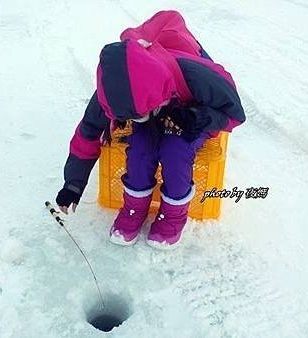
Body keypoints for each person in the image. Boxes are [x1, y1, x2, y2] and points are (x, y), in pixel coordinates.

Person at [55, 11, 245, 249]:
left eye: (140, 115)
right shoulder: (113, 91)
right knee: (140, 148)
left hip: (189, 107)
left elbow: (235, 115)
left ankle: (173, 216)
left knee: (175, 149)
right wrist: (73, 183)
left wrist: (197, 117)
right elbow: (89, 132)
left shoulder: (199, 76)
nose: (137, 119)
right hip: (153, 99)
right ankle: (134, 208)